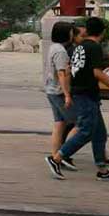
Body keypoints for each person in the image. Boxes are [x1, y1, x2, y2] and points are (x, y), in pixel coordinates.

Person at [46, 17, 109, 181]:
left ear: (87, 30)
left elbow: (74, 70)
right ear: (103, 32)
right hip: (85, 95)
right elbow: (96, 72)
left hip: (83, 93)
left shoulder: (80, 47)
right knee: (86, 131)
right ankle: (57, 158)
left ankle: (102, 170)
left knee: (99, 133)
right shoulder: (94, 47)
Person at [43, 21, 77, 165]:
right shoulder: (61, 51)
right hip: (58, 92)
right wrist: (67, 95)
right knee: (79, 123)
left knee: (60, 123)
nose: (73, 34)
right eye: (71, 32)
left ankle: (54, 155)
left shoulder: (53, 47)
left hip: (50, 90)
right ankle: (63, 154)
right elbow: (61, 73)